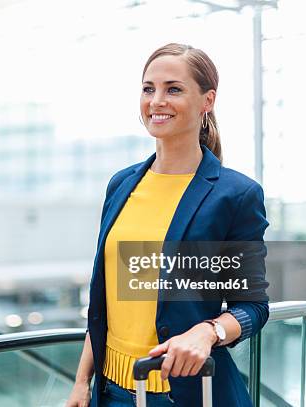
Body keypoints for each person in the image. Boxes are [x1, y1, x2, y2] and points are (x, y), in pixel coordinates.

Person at [66, 43, 269, 407]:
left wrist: (209, 331)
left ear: (207, 101)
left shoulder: (235, 195)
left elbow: (253, 306)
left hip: (185, 395)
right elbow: (107, 300)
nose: (157, 100)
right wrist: (83, 382)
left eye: (173, 89)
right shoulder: (121, 184)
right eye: (149, 89)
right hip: (109, 393)